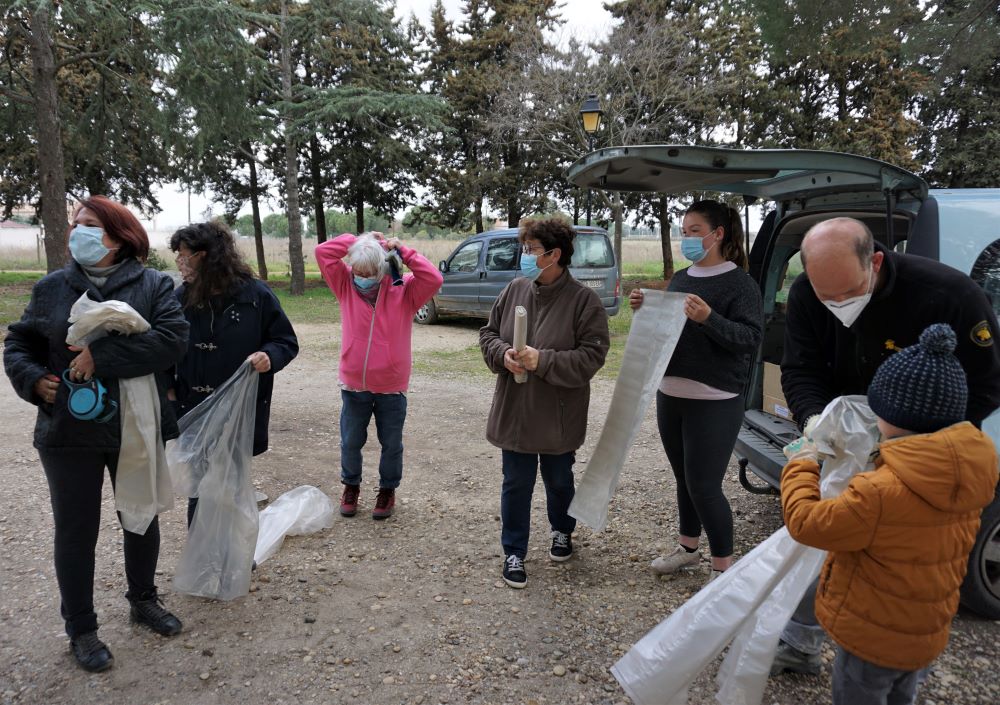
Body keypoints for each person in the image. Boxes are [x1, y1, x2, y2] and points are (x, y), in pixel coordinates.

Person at [772, 216, 1000, 675]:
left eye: (848, 291)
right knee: (829, 542)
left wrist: (912, 440)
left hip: (923, 448)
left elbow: (987, 384)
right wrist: (815, 424)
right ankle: (801, 640)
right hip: (844, 436)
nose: (838, 304)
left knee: (901, 558)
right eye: (826, 296)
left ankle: (887, 649)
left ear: (875, 261)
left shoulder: (949, 294)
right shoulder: (807, 293)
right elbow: (800, 368)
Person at [3, 196, 189, 672]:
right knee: (75, 529)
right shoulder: (52, 287)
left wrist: (99, 357)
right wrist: (32, 380)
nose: (78, 233)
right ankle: (82, 629)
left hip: (135, 424)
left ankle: (143, 600)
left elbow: (171, 341)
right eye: (76, 225)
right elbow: (20, 342)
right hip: (69, 428)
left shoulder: (153, 285)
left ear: (119, 237)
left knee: (140, 517)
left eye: (90, 225)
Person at [781, 323, 998, 705]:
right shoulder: (976, 468)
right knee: (902, 695)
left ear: (892, 418)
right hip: (926, 634)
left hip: (872, 640)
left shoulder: (880, 491)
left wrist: (802, 463)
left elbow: (806, 523)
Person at [629, 200, 763, 582]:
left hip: (715, 399)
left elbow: (750, 339)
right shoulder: (683, 277)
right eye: (684, 231)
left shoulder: (741, 284)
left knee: (704, 487)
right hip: (670, 392)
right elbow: (666, 330)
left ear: (717, 234)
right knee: (684, 480)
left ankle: (723, 570)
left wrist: (709, 319)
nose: (686, 238)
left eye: (694, 231)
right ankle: (688, 549)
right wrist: (645, 308)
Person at [480, 217, 610, 589]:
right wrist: (503, 353)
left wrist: (544, 360)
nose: (525, 255)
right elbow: (488, 334)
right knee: (515, 483)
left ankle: (562, 531)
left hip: (558, 415)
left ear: (554, 254)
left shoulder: (584, 301)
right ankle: (514, 552)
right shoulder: (515, 289)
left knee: (559, 479)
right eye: (525, 248)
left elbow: (592, 356)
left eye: (532, 249)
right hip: (516, 411)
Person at [168, 221, 299, 526]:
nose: (179, 262)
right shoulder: (180, 298)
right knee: (199, 485)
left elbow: (285, 341)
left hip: (239, 411)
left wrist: (269, 355)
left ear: (205, 255)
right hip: (192, 407)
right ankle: (201, 547)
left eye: (184, 255)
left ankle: (231, 548)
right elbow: (162, 349)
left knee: (232, 483)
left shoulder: (256, 295)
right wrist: (169, 392)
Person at [315, 232, 442, 519]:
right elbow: (323, 253)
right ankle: (351, 486)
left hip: (391, 384)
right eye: (357, 271)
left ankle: (387, 490)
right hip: (354, 383)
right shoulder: (344, 283)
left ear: (381, 268)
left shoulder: (404, 289)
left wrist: (404, 251)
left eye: (367, 272)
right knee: (350, 441)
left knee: (391, 443)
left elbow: (434, 278)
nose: (360, 277)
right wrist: (358, 240)